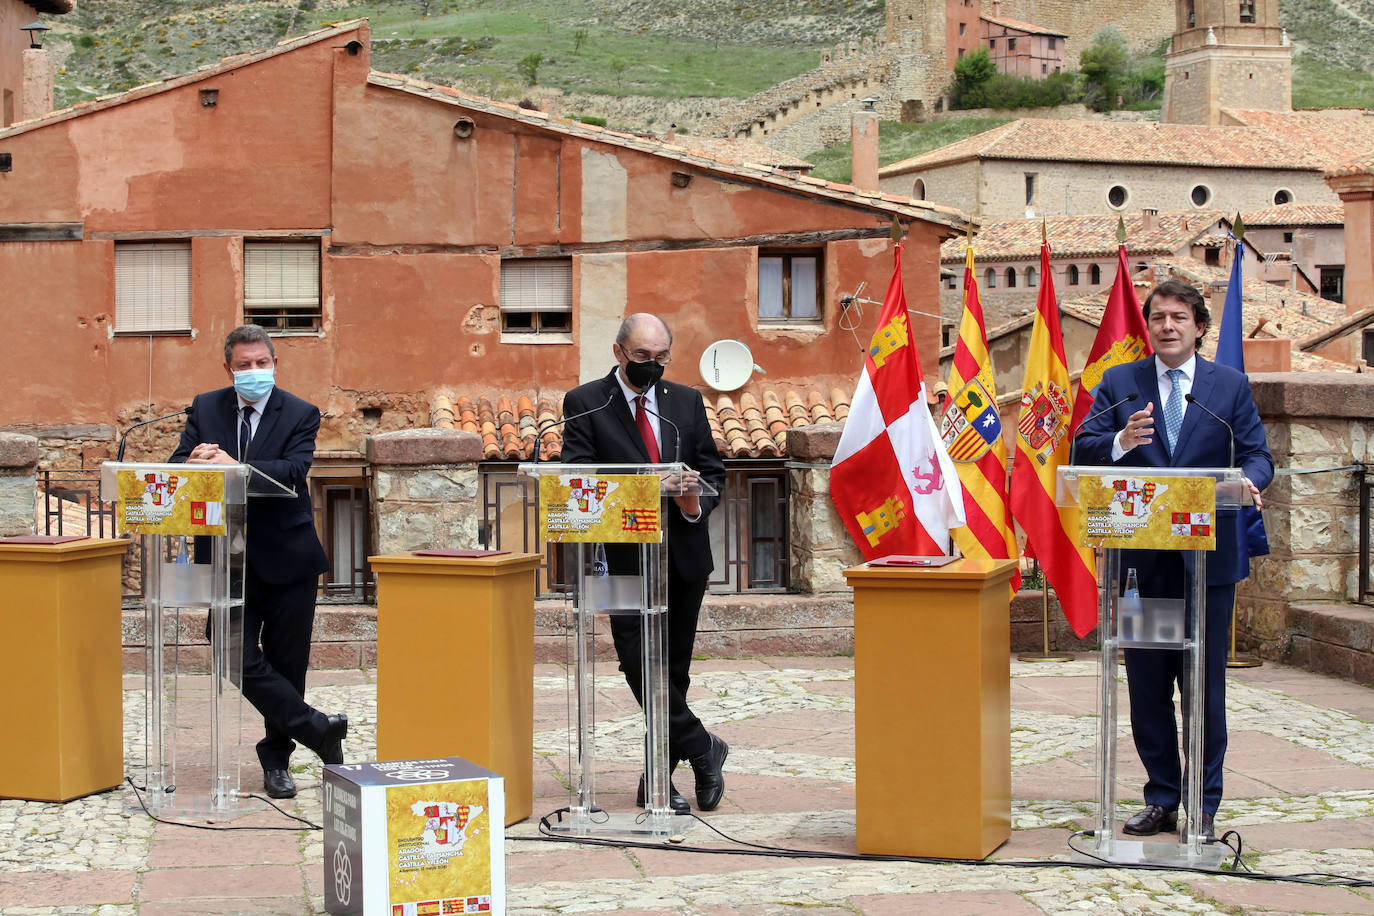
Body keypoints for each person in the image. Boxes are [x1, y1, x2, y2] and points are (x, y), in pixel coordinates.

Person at [1074, 279, 1273, 840]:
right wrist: (1119, 444)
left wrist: (1250, 483)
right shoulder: (1120, 383)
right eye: (1158, 317)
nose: (1167, 326)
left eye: (1179, 317)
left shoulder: (1227, 387)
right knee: (1149, 685)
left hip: (1207, 564)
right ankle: (1161, 797)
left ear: (1199, 327)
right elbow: (1081, 449)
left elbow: (1258, 456)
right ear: (1149, 326)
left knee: (1204, 685)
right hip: (1143, 562)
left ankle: (1203, 807)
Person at [560, 313, 729, 814]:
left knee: (673, 670)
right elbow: (575, 477)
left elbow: (713, 471)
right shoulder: (586, 402)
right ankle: (702, 746)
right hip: (618, 559)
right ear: (618, 353)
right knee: (638, 663)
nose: (652, 367)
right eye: (642, 358)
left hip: (683, 558)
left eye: (661, 358)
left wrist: (693, 502)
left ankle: (656, 779)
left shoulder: (686, 402)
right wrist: (648, 487)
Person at [171, 324, 344, 800]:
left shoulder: (301, 412)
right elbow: (178, 462)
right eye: (243, 365)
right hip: (226, 558)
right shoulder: (206, 407)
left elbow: (293, 471)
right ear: (228, 369)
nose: (253, 372)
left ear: (274, 363)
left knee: (288, 664)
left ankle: (276, 760)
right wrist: (190, 462)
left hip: (288, 558)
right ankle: (318, 728)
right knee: (230, 652)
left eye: (260, 364)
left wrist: (235, 467)